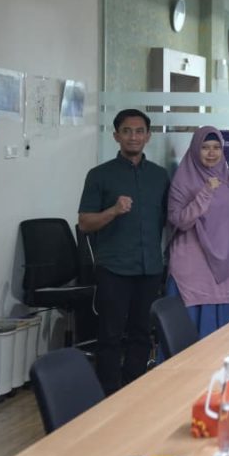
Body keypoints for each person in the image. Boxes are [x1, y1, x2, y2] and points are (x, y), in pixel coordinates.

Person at [78, 109, 169, 394]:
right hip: (114, 267)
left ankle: (134, 391)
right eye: (127, 131)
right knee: (110, 335)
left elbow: (170, 219)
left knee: (142, 333)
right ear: (116, 136)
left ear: (148, 136)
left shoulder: (159, 176)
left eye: (139, 131)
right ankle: (108, 394)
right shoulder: (99, 175)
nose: (133, 137)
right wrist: (114, 211)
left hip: (149, 266)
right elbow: (85, 223)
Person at [166, 126, 229, 338]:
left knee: (224, 338)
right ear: (195, 149)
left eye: (216, 147)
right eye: (205, 147)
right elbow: (179, 221)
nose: (211, 153)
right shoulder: (182, 181)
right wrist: (205, 193)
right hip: (192, 267)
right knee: (187, 337)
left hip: (226, 269)